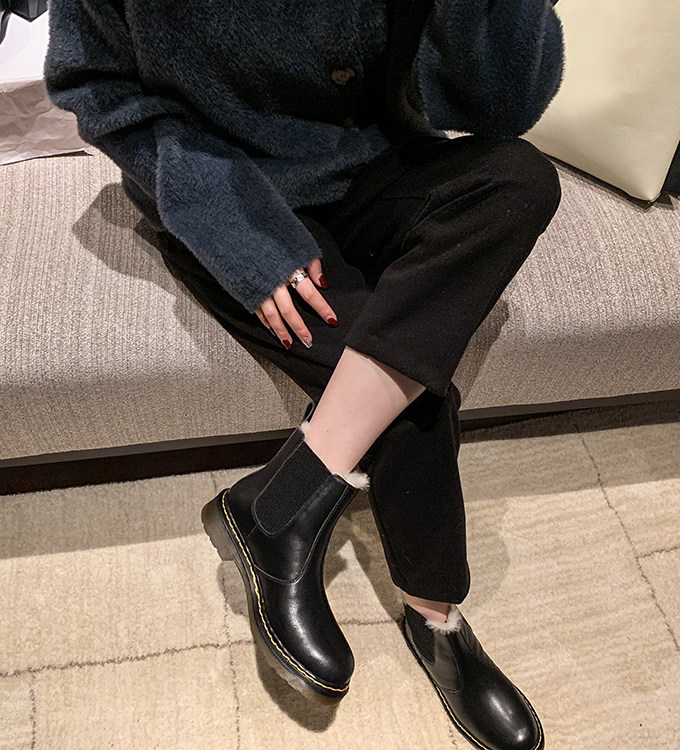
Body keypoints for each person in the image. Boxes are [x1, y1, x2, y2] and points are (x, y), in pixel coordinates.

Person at [44, 1, 564, 748]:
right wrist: (237, 232)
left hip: (382, 167)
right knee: (408, 390)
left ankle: (279, 504)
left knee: (521, 180)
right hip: (233, 192)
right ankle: (434, 616)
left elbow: (504, 110)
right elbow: (96, 86)